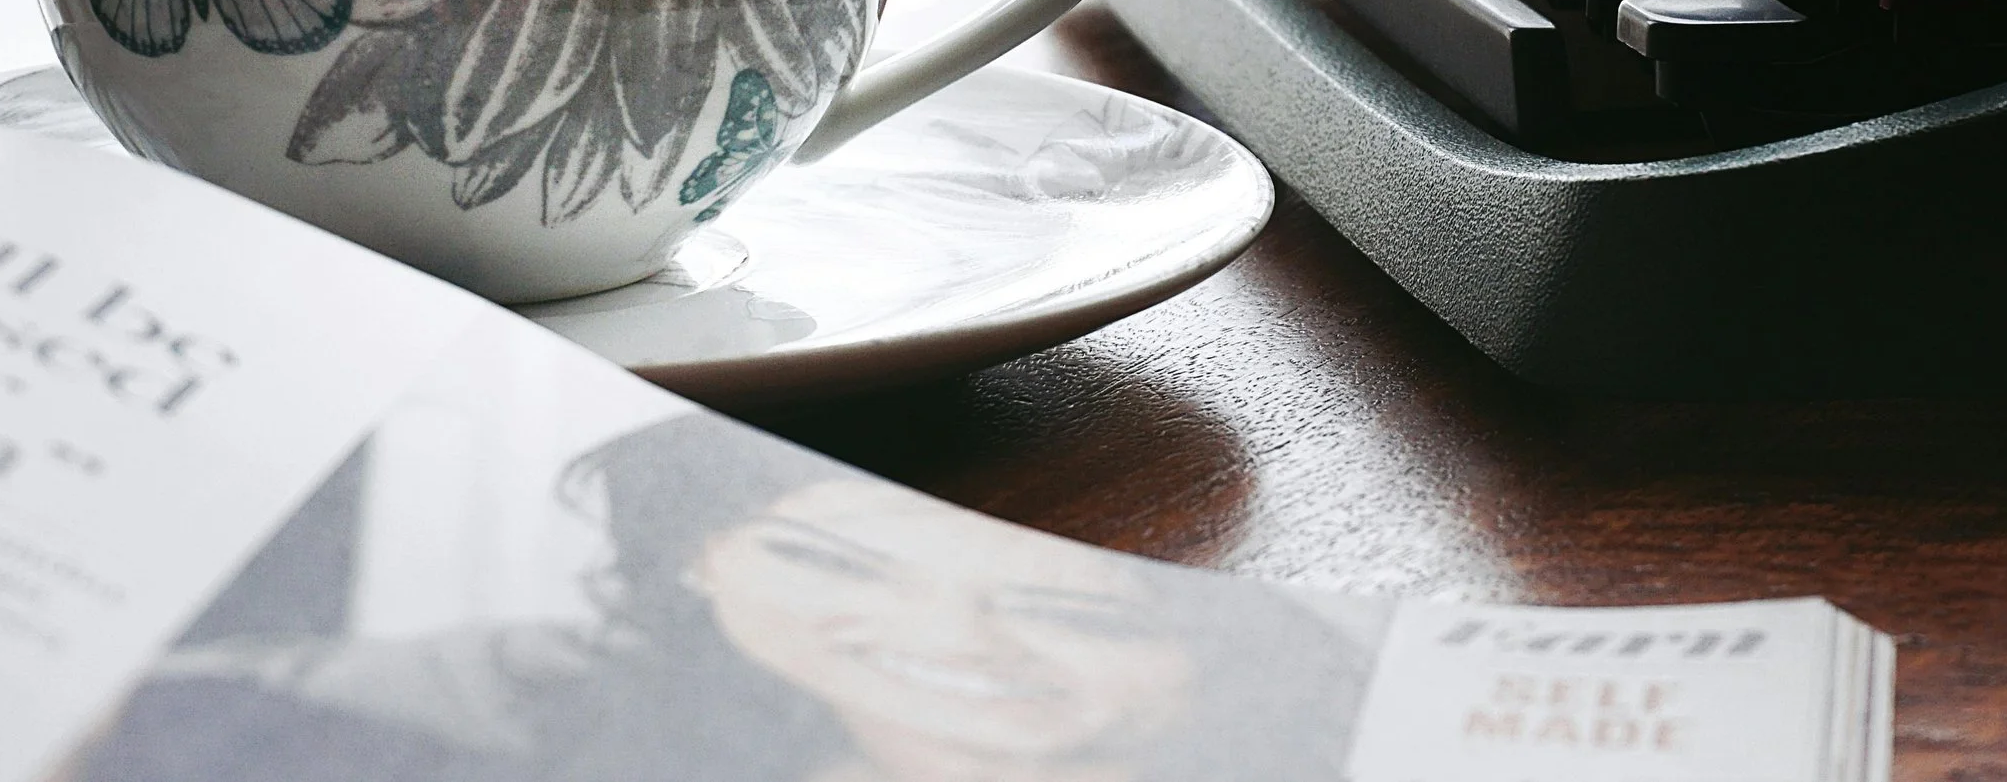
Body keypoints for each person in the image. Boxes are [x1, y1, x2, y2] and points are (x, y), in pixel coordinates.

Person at [81, 414, 1373, 780]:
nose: (943, 643)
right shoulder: (552, 694)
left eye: (1083, 609)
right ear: (700, 566)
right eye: (822, 560)